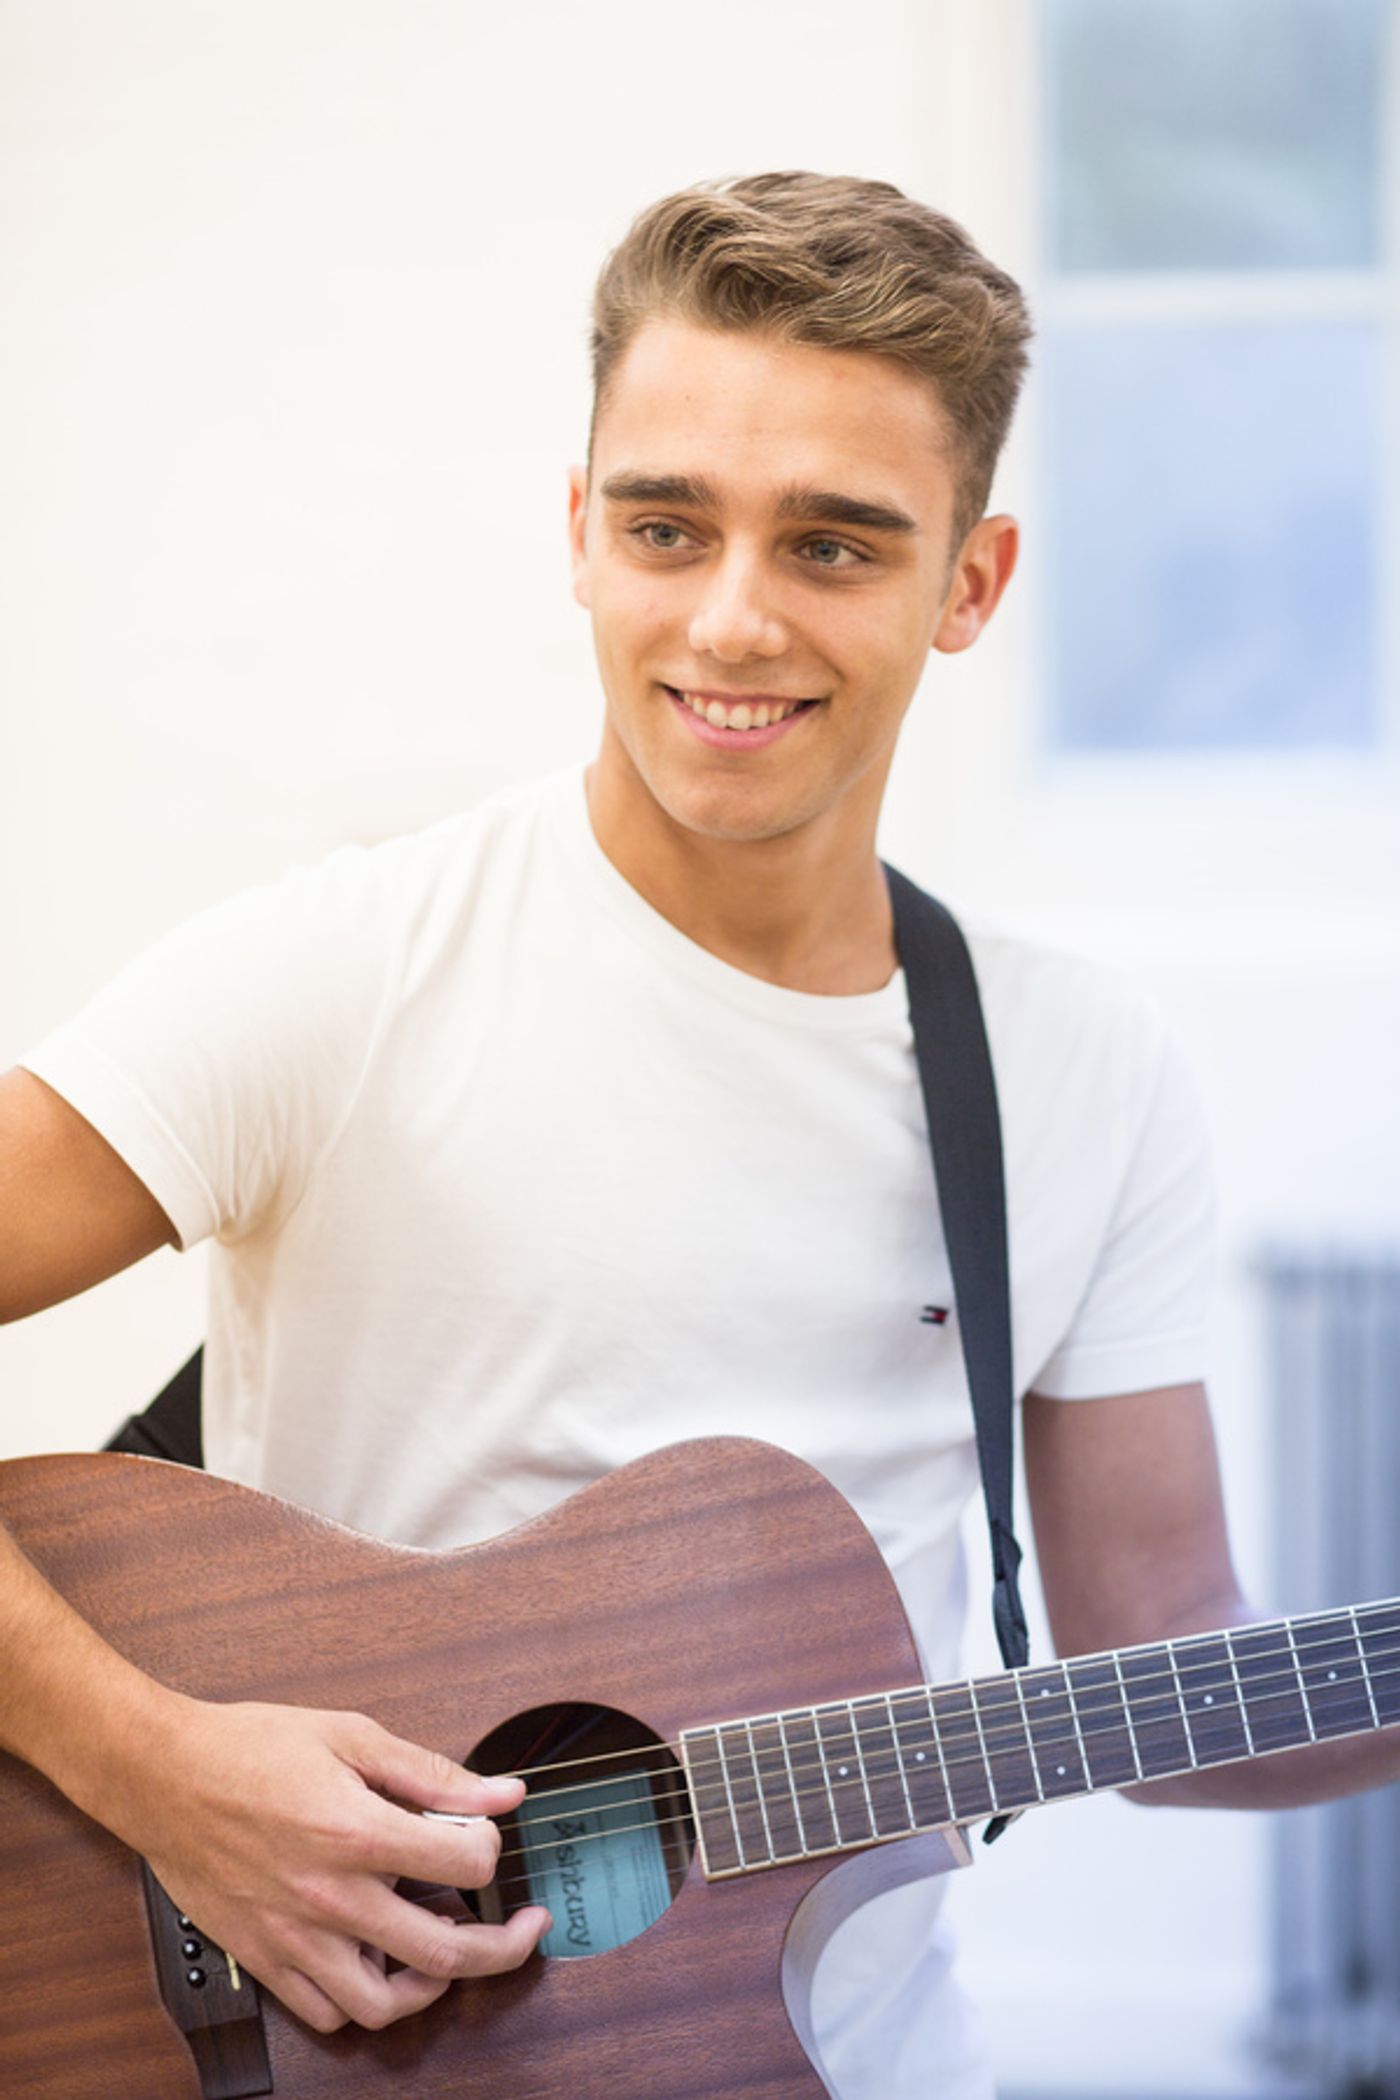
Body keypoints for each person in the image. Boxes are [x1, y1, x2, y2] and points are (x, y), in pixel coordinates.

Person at [0, 171, 1396, 2098]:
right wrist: (156, 1768)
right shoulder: (346, 973)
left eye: (834, 545)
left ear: (968, 582)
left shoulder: (1083, 1072)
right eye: (670, 526)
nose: (733, 620)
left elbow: (1176, 1671)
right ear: (580, 535)